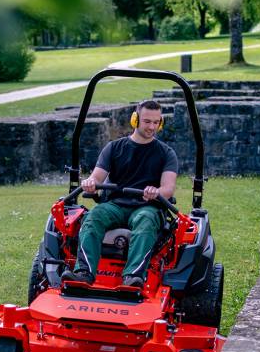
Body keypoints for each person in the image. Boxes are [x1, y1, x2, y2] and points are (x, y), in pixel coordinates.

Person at [61, 99, 179, 288]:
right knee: (93, 217)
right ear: (135, 120)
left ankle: (132, 277)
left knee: (145, 221)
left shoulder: (166, 153)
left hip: (146, 207)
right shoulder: (114, 148)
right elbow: (97, 177)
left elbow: (168, 188)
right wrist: (91, 183)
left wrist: (156, 192)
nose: (152, 127)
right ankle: (84, 273)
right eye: (147, 121)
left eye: (156, 122)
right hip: (115, 205)